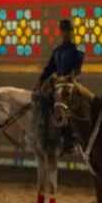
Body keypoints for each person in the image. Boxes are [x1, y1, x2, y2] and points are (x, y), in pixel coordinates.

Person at [36, 18, 84, 151]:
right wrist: (41, 80)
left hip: (70, 84)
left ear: (71, 32)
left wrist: (66, 79)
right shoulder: (57, 51)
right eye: (64, 31)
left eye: (68, 31)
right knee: (43, 100)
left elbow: (76, 71)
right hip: (58, 85)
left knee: (64, 105)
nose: (66, 34)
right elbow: (50, 68)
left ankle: (70, 140)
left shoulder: (77, 51)